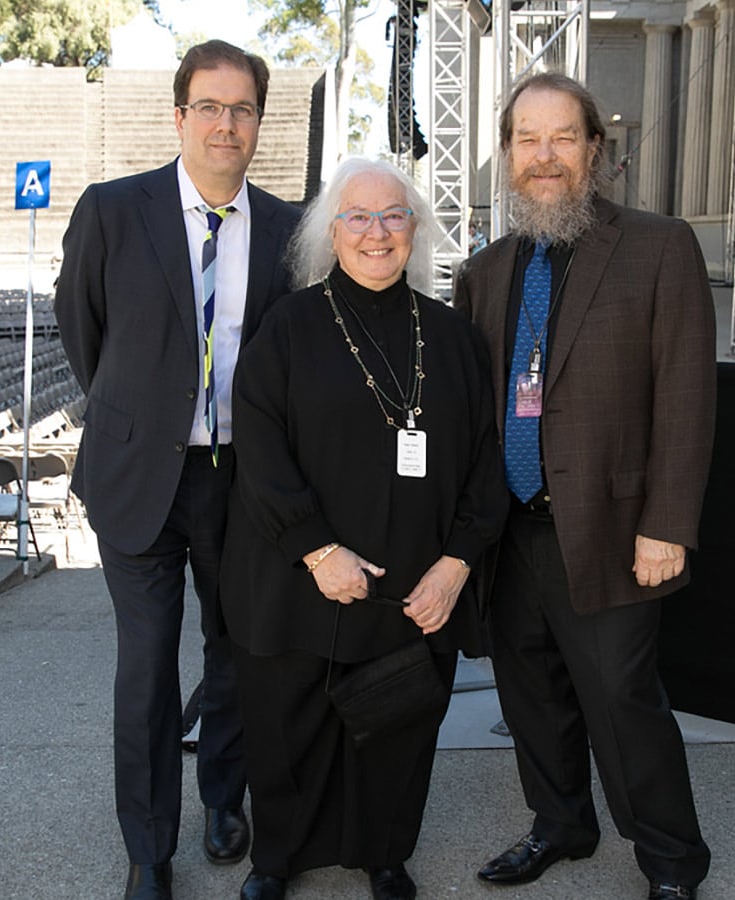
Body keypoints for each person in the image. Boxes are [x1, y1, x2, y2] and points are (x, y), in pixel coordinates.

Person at [452, 73, 717, 900]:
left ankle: (672, 861)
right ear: (506, 155)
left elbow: (685, 392)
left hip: (611, 527)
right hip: (514, 532)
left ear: (594, 148)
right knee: (530, 694)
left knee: (622, 702)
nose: (545, 157)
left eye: (563, 137)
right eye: (527, 140)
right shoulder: (485, 271)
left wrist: (667, 523)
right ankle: (560, 824)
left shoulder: (658, 245)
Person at [53, 39, 301, 900]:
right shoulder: (113, 211)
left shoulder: (286, 227)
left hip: (242, 482)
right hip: (138, 481)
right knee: (148, 666)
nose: (224, 124)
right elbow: (83, 329)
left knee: (235, 656)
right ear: (179, 116)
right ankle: (148, 848)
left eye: (241, 109)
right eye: (209, 106)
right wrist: (138, 417)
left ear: (259, 123)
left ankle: (222, 802)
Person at [221, 157, 506, 900]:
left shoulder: (451, 337)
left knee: (398, 727)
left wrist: (456, 565)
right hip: (302, 576)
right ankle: (276, 859)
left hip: (414, 588)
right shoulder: (288, 326)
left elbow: (485, 462)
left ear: (415, 229)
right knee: (289, 726)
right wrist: (316, 549)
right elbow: (259, 447)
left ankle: (384, 853)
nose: (375, 233)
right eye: (357, 217)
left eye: (392, 216)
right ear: (330, 232)